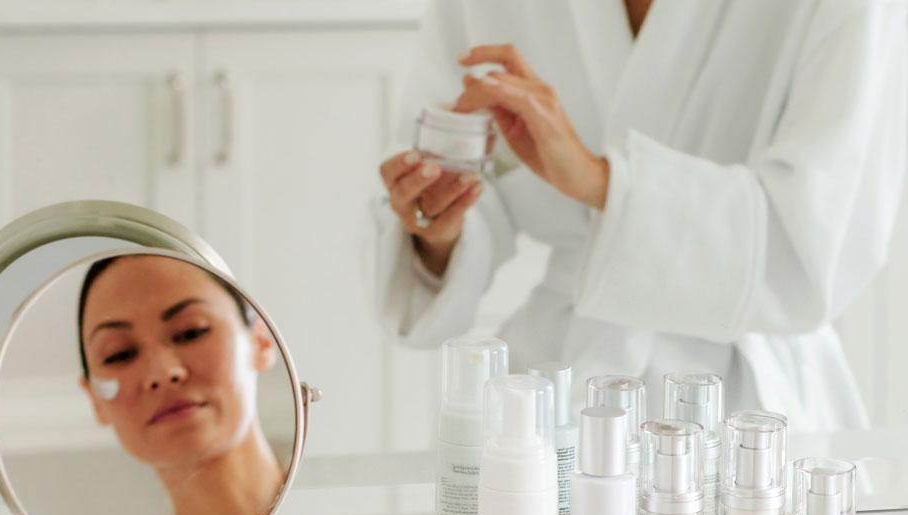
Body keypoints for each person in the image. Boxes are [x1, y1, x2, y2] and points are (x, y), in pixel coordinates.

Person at [375, 0, 908, 431]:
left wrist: (600, 180)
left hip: (752, 414)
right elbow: (454, 165)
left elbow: (818, 244)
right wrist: (438, 228)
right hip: (552, 393)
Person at [78, 253, 285, 515]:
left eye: (191, 332)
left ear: (260, 341)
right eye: (120, 354)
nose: (162, 372)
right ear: (94, 398)